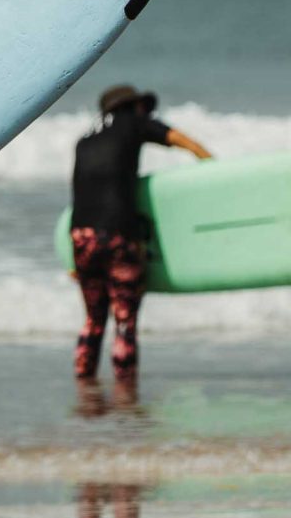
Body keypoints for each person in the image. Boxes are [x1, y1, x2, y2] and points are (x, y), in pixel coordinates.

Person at [69, 85, 210, 380]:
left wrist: (74, 261)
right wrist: (211, 164)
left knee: (93, 320)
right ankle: (125, 396)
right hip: (118, 234)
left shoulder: (84, 141)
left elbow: (79, 194)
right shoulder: (132, 123)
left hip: (81, 238)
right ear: (131, 107)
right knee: (124, 321)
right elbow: (178, 138)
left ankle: (84, 386)